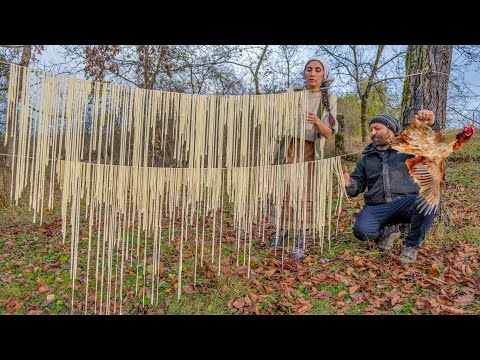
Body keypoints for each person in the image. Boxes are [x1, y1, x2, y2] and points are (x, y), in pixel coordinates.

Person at [343, 110, 437, 264]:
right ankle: (389, 232)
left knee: (428, 200)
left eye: (377, 129)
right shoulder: (366, 158)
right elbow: (357, 186)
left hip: (405, 203)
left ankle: (411, 245)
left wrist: (430, 126)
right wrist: (349, 184)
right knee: (362, 231)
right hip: (377, 207)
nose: (373, 133)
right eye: (371, 129)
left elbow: (430, 147)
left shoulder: (408, 149)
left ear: (391, 130)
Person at [269, 57, 338, 261]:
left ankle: (301, 240)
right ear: (304, 73)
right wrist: (287, 110)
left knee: (305, 194)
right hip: (289, 149)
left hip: (311, 151)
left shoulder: (330, 99)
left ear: (324, 75)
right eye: (309, 69)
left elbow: (328, 133)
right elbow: (277, 122)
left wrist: (317, 121)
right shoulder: (292, 94)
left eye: (317, 70)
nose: (312, 73)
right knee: (286, 192)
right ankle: (283, 231)